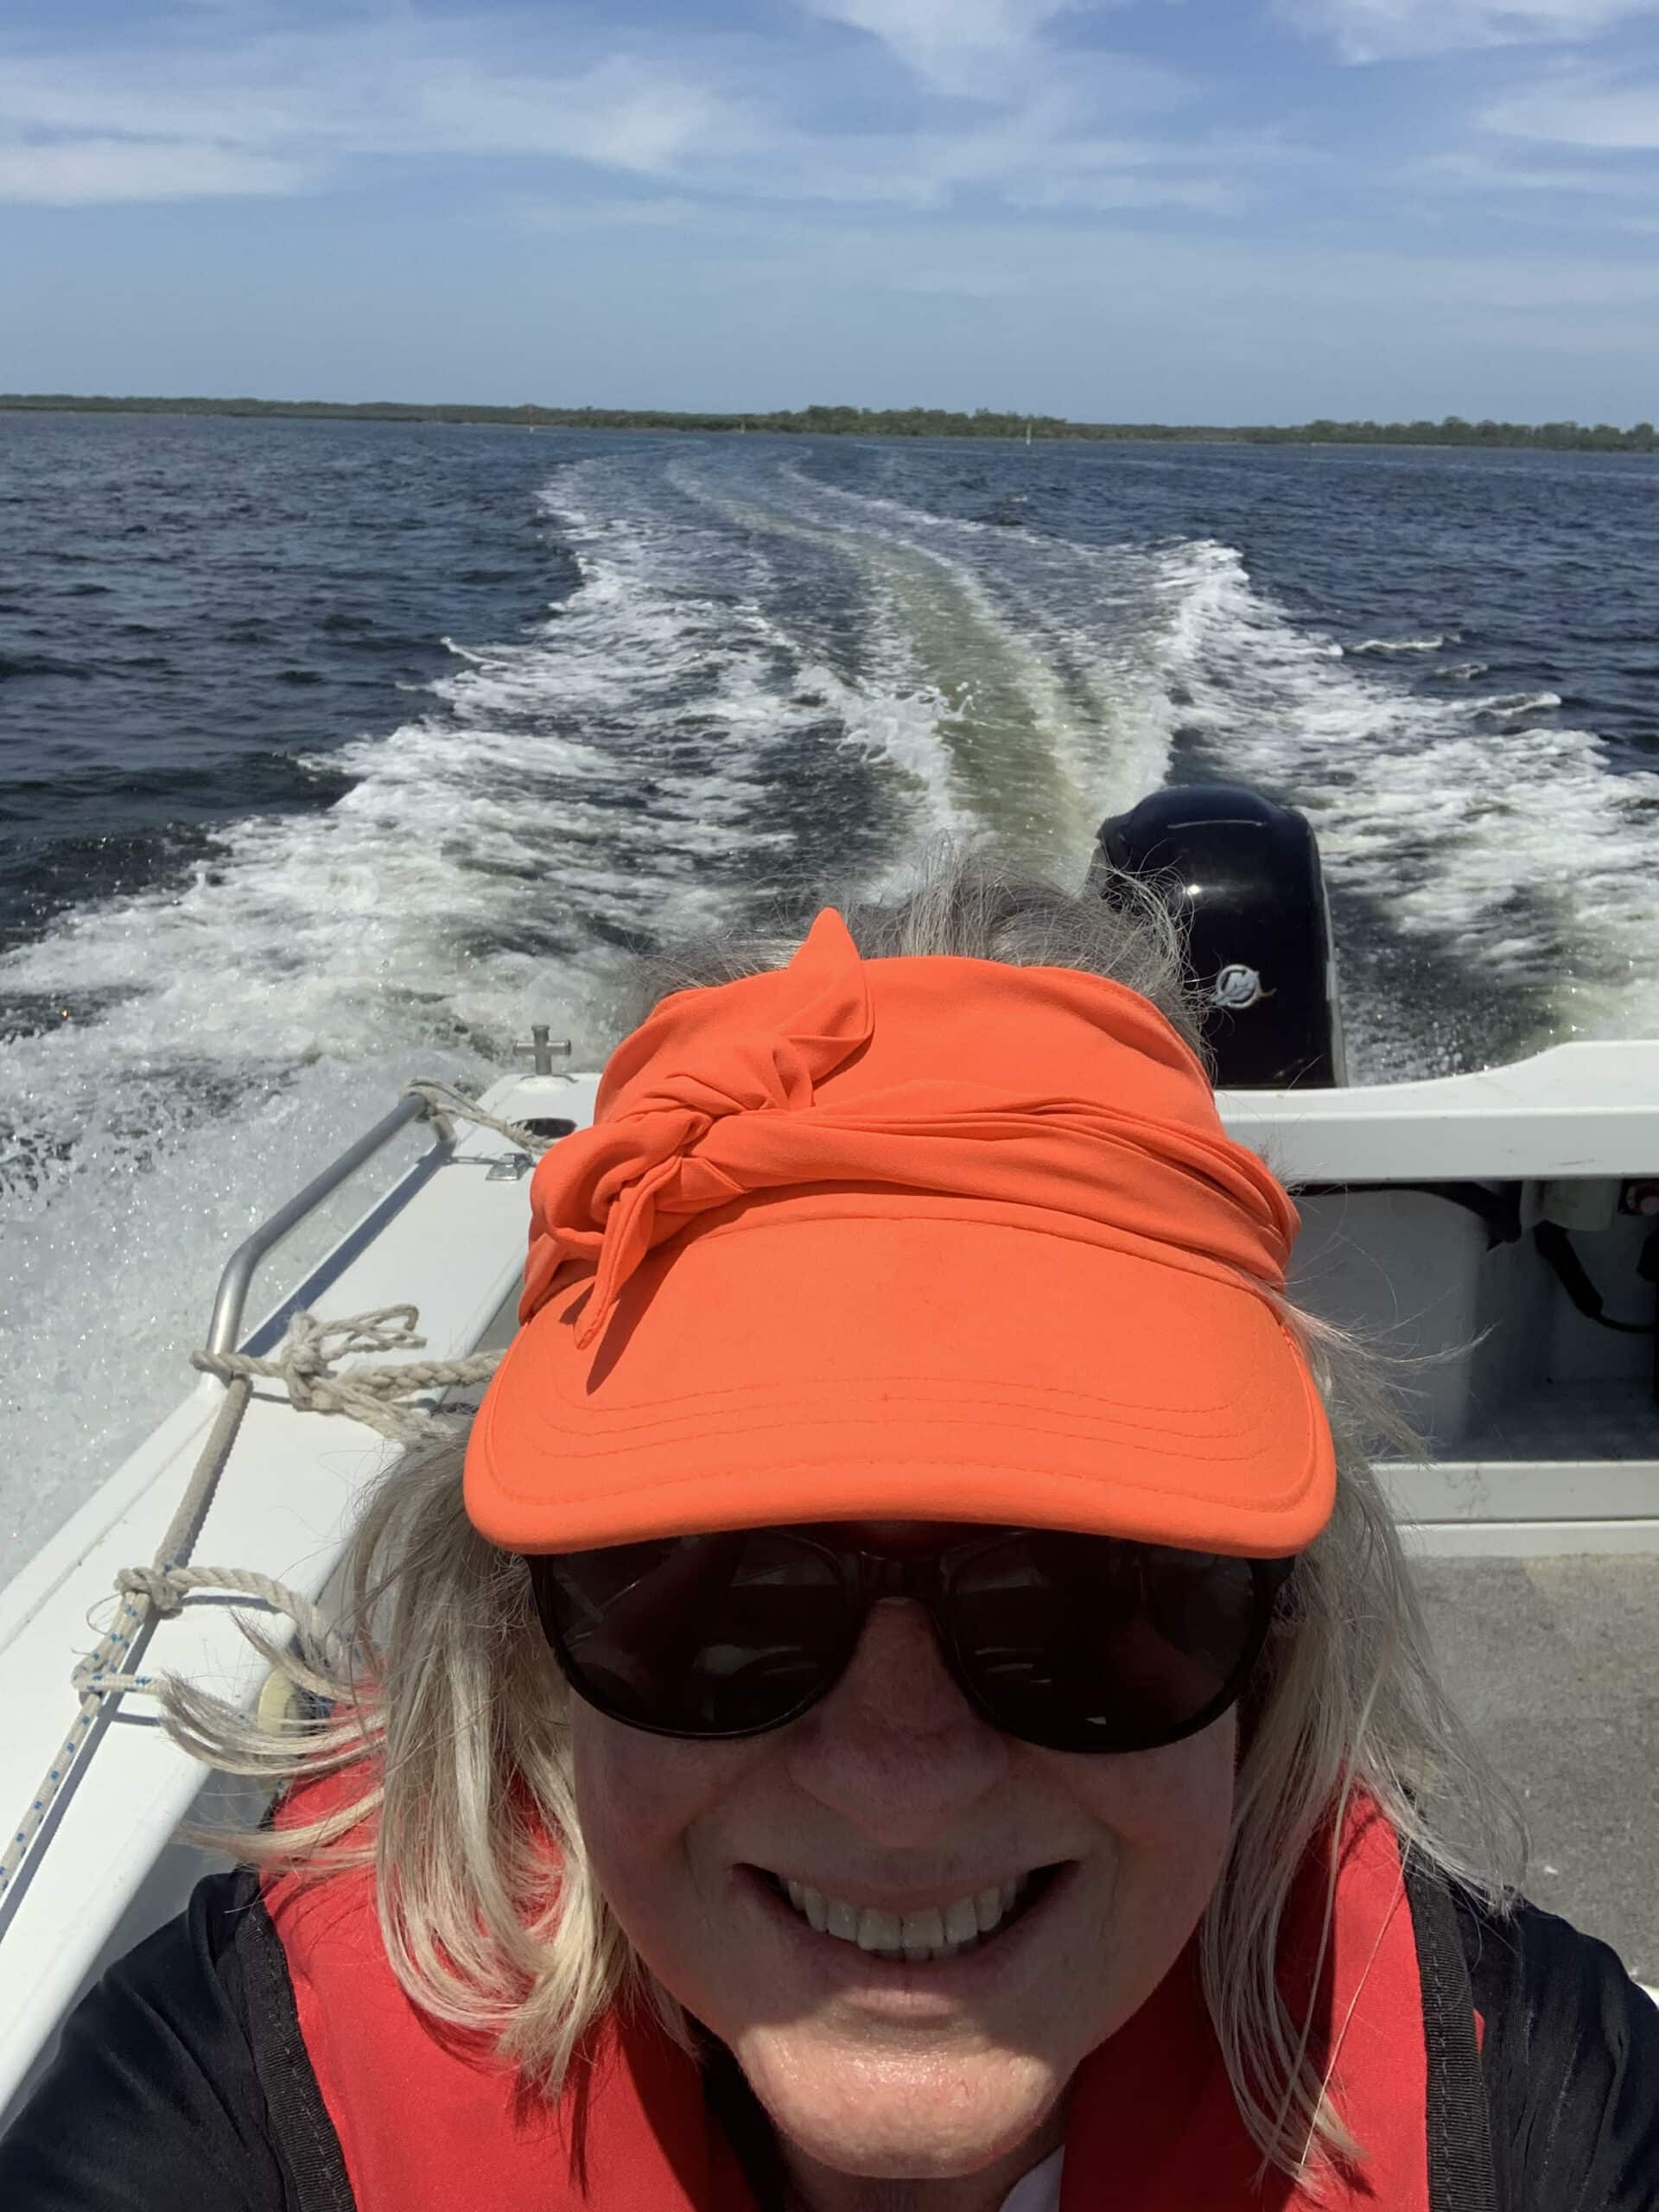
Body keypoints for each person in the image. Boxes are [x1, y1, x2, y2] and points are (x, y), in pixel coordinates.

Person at [3, 865, 1656, 2212]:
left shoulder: (1533, 2108)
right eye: (714, 1598)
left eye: (1087, 1602)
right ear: (527, 1649)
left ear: (1275, 1649)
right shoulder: (236, 2107)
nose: (898, 1780)